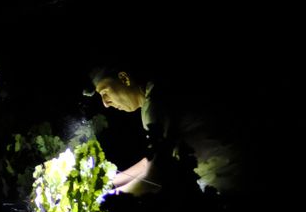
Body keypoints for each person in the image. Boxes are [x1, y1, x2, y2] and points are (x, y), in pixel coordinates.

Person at [89, 64, 239, 195]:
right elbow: (154, 159)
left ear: (124, 78)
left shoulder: (155, 104)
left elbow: (156, 174)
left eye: (104, 92)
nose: (105, 104)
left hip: (230, 184)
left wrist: (104, 200)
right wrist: (111, 182)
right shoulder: (158, 92)